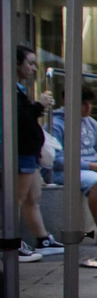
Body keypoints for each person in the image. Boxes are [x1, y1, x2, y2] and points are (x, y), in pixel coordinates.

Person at [12, 45, 60, 261]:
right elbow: (20, 120)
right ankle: (12, 241)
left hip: (28, 150)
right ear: (16, 64)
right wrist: (39, 106)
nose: (33, 68)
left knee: (33, 196)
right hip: (20, 150)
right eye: (29, 63)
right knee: (18, 198)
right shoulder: (10, 90)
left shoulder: (17, 89)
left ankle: (42, 239)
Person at [51, 91, 97, 238]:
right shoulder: (56, 124)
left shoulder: (92, 123)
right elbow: (56, 160)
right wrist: (90, 165)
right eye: (83, 103)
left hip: (94, 166)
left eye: (90, 103)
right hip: (66, 171)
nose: (88, 107)